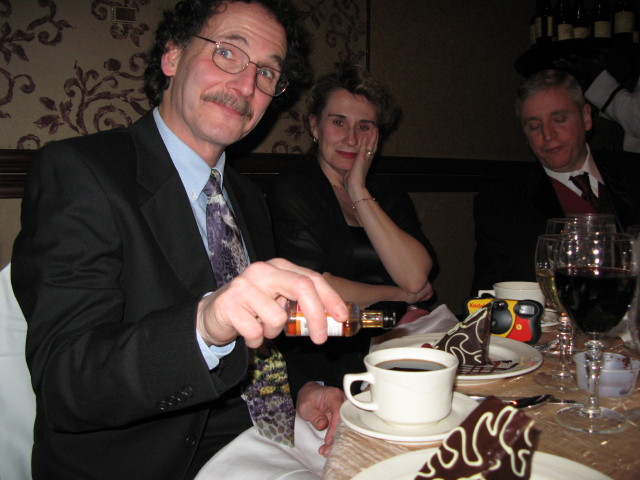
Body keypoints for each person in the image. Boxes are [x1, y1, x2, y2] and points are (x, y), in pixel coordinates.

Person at [11, 1, 348, 478]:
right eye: (228, 53)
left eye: (267, 73)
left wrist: (304, 388)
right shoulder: (81, 172)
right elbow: (67, 380)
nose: (246, 86)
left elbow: (262, 343)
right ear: (172, 56)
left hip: (265, 442)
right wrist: (205, 323)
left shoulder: (247, 198)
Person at [268, 64, 436, 392]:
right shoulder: (293, 189)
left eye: (364, 126)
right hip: (330, 357)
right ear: (314, 126)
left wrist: (357, 188)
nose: (351, 138)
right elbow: (316, 286)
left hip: (399, 346)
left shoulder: (387, 194)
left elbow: (415, 276)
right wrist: (399, 295)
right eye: (338, 122)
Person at [472, 69, 640, 294]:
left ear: (586, 117)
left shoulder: (634, 173)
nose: (548, 135)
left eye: (559, 119)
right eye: (534, 126)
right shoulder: (499, 204)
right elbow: (489, 296)